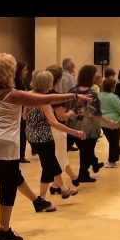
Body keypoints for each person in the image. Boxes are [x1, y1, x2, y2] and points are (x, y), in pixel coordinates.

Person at [0, 53, 91, 240]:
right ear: (10, 72)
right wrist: (74, 95)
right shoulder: (14, 94)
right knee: (7, 184)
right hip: (4, 143)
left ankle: (37, 201)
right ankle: (4, 230)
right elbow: (48, 98)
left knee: (11, 174)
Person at [26, 70, 83, 200]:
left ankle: (62, 188)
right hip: (44, 138)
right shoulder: (44, 102)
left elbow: (24, 115)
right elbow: (55, 123)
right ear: (49, 84)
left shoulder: (29, 95)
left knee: (52, 163)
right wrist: (75, 132)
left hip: (31, 136)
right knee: (48, 167)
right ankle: (42, 198)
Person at [46, 65, 80, 193]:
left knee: (60, 156)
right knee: (59, 157)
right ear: (58, 79)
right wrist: (73, 111)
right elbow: (62, 116)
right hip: (56, 130)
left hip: (45, 130)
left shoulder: (39, 93)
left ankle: (60, 183)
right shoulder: (55, 96)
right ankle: (61, 186)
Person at [68, 65, 104, 183]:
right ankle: (84, 173)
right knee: (87, 151)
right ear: (90, 77)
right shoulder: (92, 93)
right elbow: (96, 113)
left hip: (73, 126)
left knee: (85, 151)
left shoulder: (72, 90)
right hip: (89, 127)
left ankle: (86, 171)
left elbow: (68, 107)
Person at [99, 78, 120, 168]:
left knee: (111, 140)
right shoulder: (113, 97)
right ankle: (112, 161)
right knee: (114, 141)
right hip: (114, 122)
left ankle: (118, 152)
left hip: (102, 122)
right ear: (113, 87)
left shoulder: (99, 95)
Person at [59, 58, 78, 152]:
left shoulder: (60, 75)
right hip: (67, 102)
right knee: (69, 122)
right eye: (73, 65)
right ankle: (67, 144)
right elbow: (73, 91)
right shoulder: (69, 77)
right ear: (70, 66)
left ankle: (66, 144)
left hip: (59, 101)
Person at [15, 61, 31, 163]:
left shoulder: (21, 81)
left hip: (22, 110)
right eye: (25, 70)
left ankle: (21, 155)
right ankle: (20, 155)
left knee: (22, 133)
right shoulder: (17, 82)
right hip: (20, 111)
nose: (26, 72)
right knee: (21, 134)